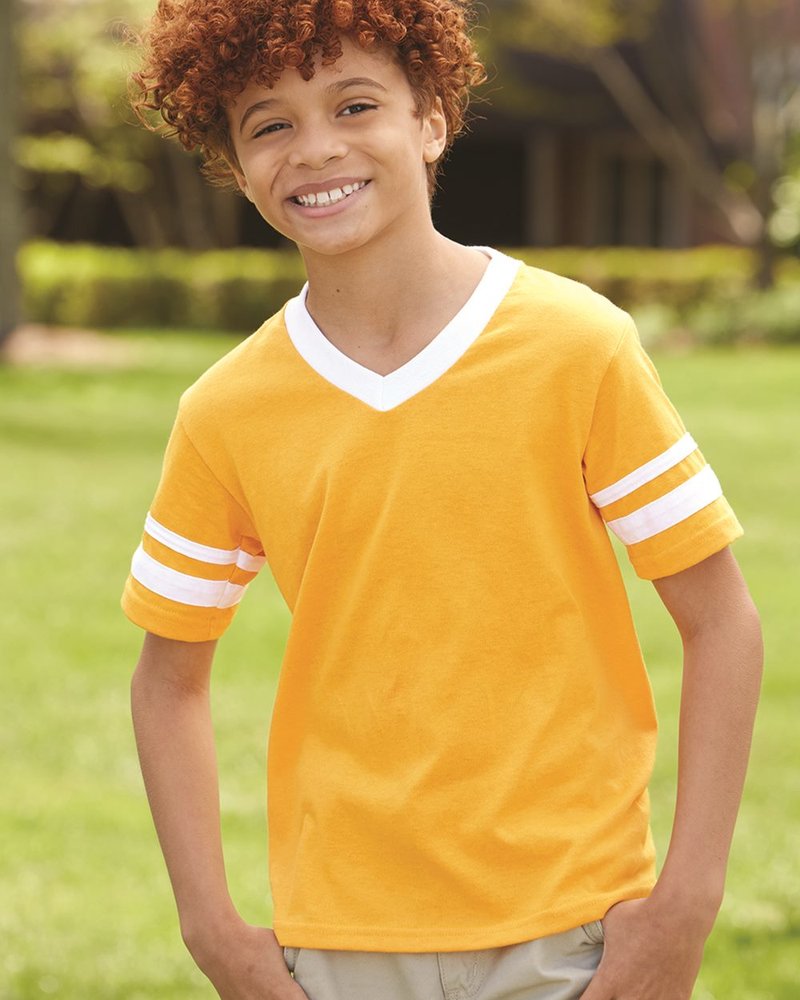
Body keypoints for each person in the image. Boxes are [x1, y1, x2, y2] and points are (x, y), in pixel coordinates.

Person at [122, 2, 763, 999]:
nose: (315, 148)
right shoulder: (225, 411)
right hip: (340, 947)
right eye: (270, 124)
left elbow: (720, 621)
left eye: (355, 105)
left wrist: (684, 906)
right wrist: (213, 931)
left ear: (431, 119)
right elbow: (167, 682)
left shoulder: (577, 347)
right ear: (235, 166)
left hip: (574, 932)